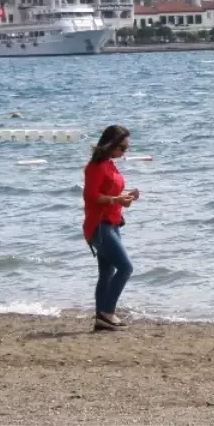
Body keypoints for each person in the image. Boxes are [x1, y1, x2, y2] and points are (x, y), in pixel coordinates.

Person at [82, 124, 140, 332]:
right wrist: (117, 199)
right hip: (99, 226)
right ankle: (108, 312)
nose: (125, 152)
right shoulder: (95, 167)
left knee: (107, 273)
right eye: (122, 148)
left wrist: (126, 197)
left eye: (127, 148)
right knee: (126, 267)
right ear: (111, 144)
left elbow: (110, 193)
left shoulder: (110, 164)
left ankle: (101, 318)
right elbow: (91, 196)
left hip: (112, 224)